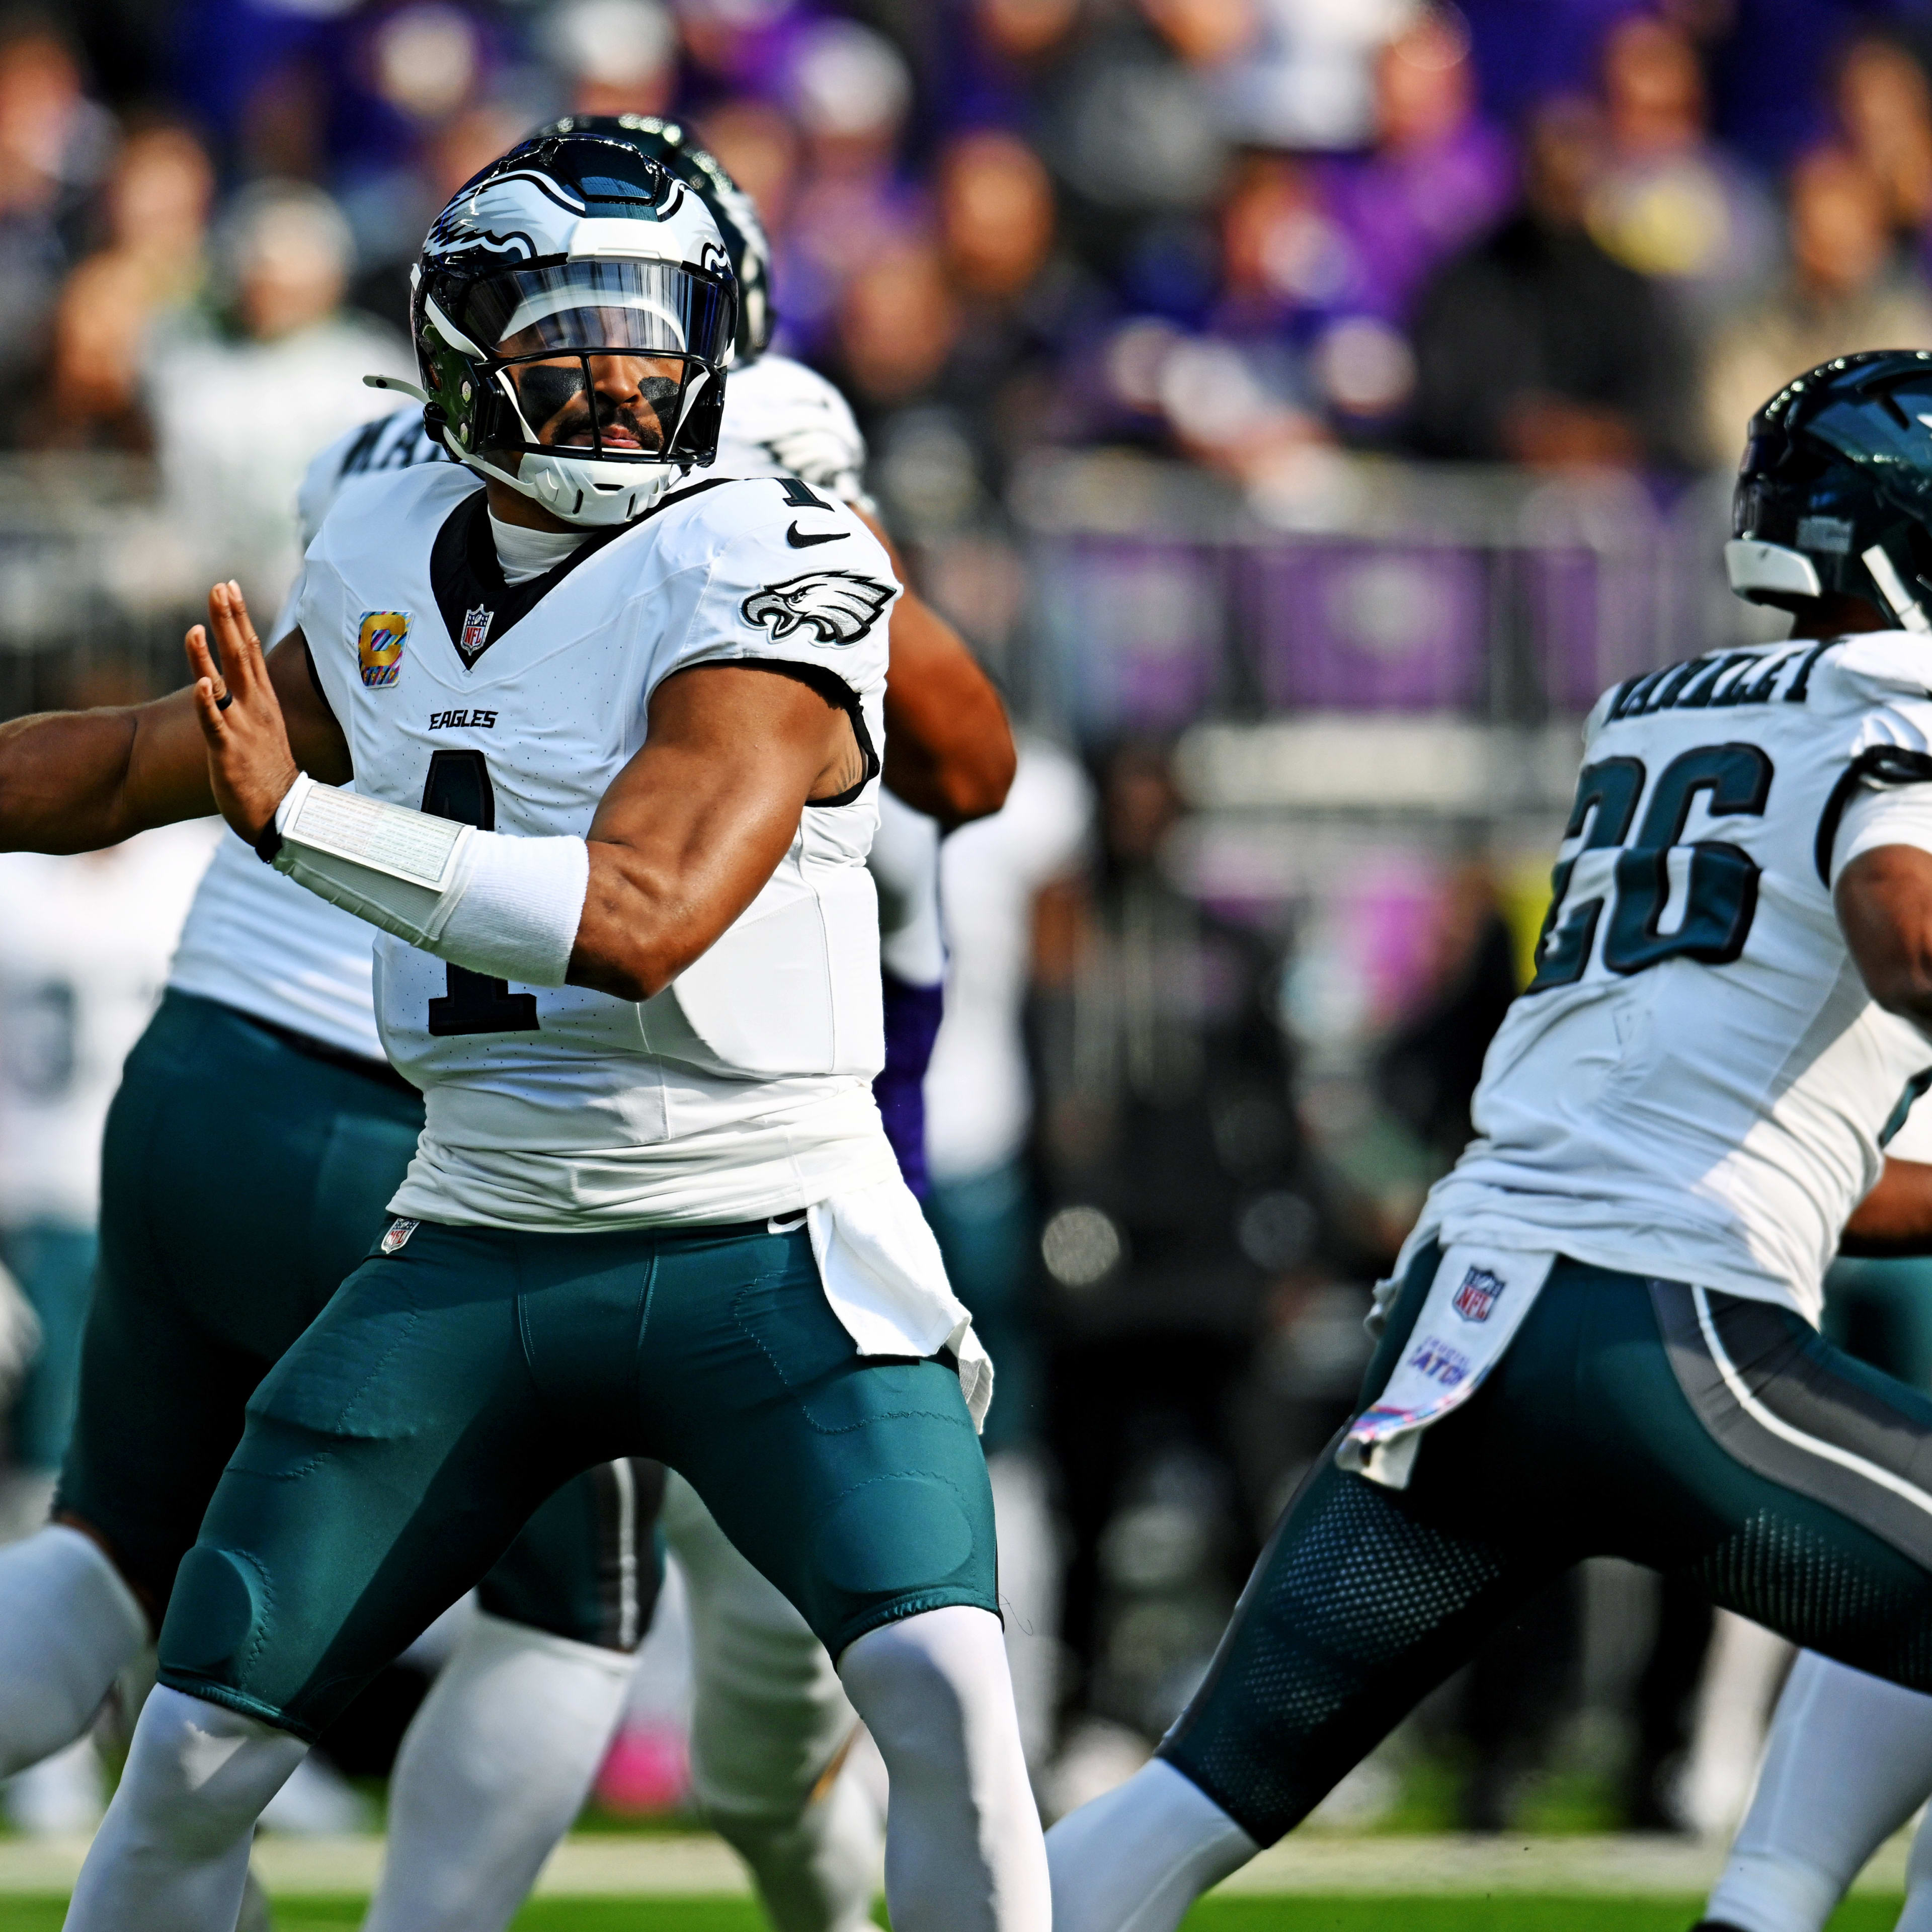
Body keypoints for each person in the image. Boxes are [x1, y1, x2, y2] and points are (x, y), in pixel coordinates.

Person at [0, 128, 1044, 1932]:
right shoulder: (393, 529)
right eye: (572, 328)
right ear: (462, 340)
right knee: (186, 1755)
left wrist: (297, 821)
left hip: (764, 1230)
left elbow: (639, 924)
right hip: (481, 1225)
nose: (623, 374)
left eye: (656, 330)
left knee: (947, 1694)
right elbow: (137, 760)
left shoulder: (785, 552)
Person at [1041, 348, 1932, 1932]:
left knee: (1190, 1804)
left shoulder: (1649, 712)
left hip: (1469, 1336)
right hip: (1654, 1337)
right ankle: (1770, 1908)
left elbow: (1754, 1138)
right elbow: (1905, 934)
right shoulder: (1900, 709)